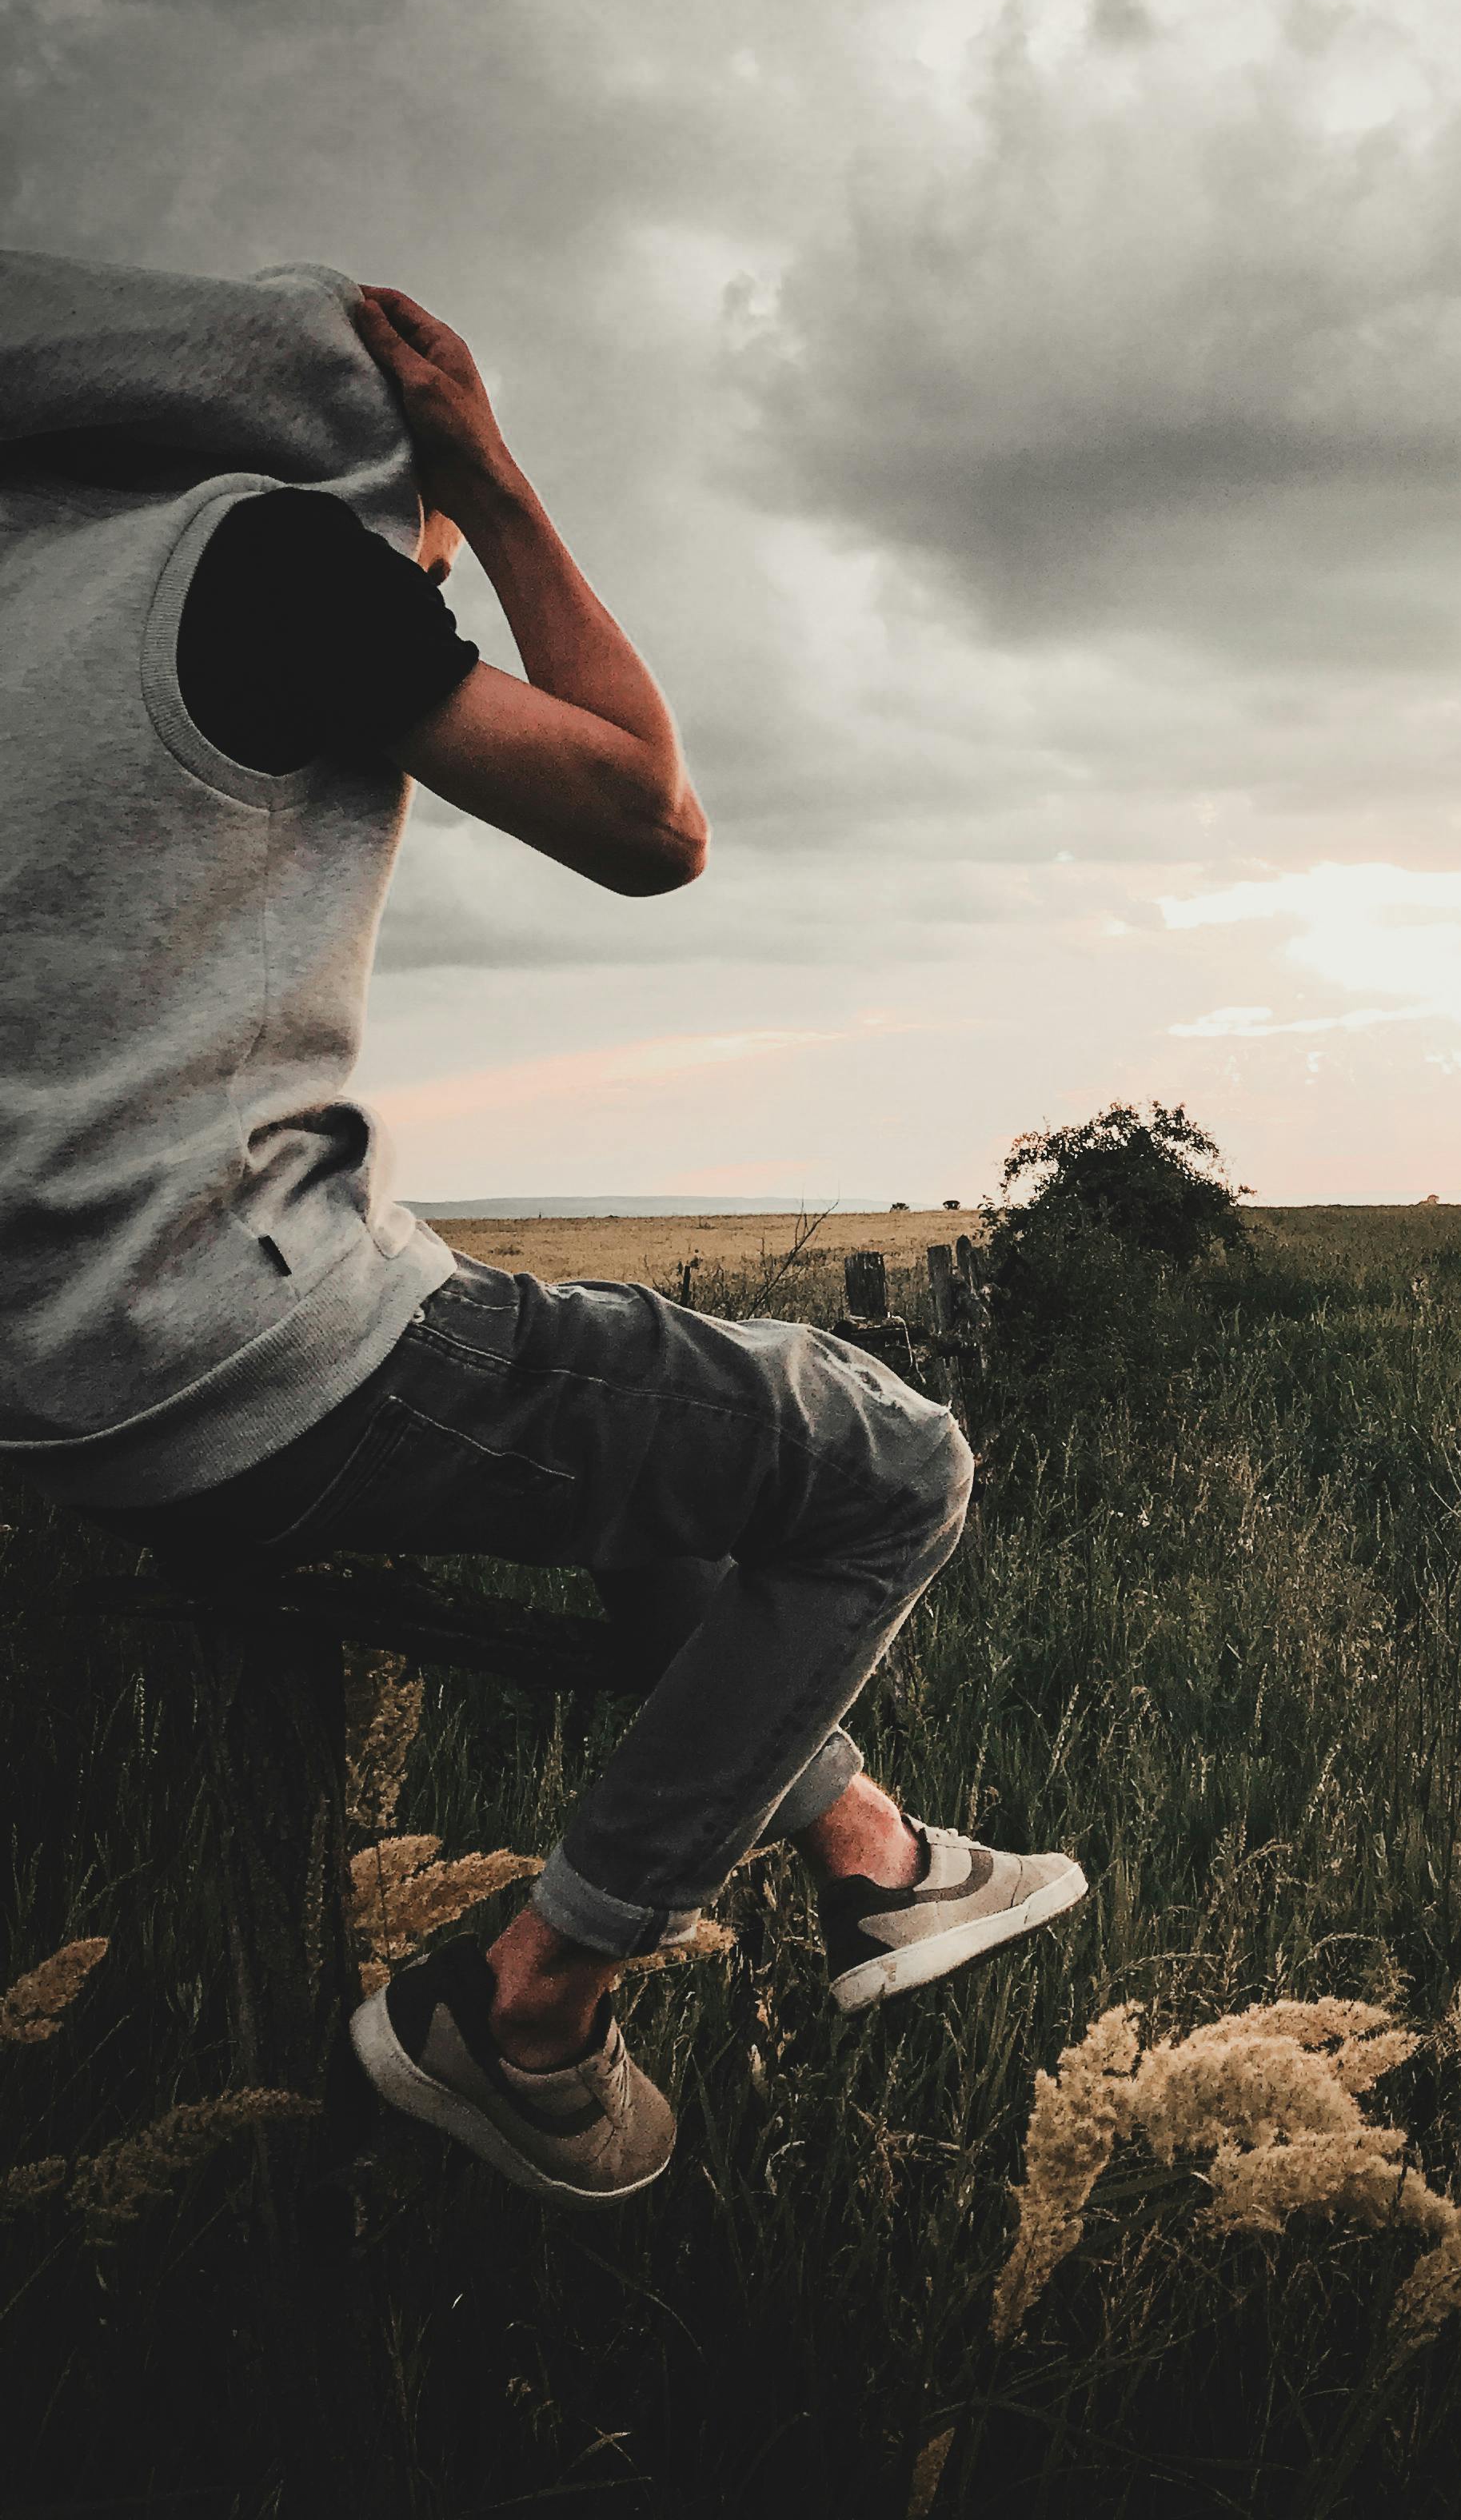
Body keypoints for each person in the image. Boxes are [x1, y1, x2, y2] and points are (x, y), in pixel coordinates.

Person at [0, 248, 1085, 2208]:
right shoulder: (257, 558)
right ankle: (529, 2002)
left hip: (45, 1397)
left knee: (665, 1463)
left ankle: (867, 1857)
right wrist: (490, 483)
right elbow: (652, 823)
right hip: (238, 1344)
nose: (417, 574)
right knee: (887, 1468)